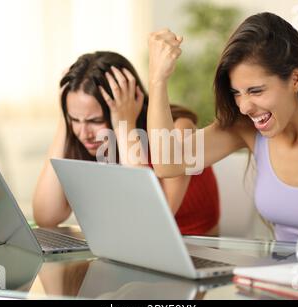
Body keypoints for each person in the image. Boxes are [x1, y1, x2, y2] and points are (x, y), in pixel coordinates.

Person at [147, 12, 298, 242]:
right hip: (272, 276)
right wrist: (157, 80)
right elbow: (168, 164)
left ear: (295, 79)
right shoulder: (247, 129)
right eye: (237, 93)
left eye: (256, 91)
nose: (244, 107)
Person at [33, 51, 220, 235]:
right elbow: (46, 217)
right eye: (75, 119)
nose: (84, 134)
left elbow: (155, 220)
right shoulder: (86, 137)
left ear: (128, 102)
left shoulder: (179, 129)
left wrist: (124, 125)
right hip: (127, 246)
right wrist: (64, 122)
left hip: (191, 250)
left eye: (95, 121)